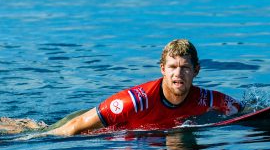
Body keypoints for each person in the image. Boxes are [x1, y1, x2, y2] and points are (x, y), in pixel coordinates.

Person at [49, 39, 241, 136]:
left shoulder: (208, 100)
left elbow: (245, 112)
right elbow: (74, 126)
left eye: (185, 68)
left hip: (159, 134)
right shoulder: (133, 101)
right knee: (36, 130)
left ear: (196, 71)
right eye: (173, 67)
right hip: (95, 127)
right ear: (163, 70)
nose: (178, 74)